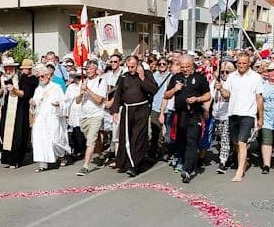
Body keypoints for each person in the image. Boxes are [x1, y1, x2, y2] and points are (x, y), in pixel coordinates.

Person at [165, 54, 211, 184]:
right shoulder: (176, 77)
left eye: (187, 67)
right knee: (181, 141)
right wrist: (175, 89)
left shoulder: (199, 78)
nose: (185, 69)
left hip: (194, 114)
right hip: (180, 115)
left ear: (192, 65)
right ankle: (184, 160)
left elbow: (207, 95)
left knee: (192, 141)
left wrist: (197, 99)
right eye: (182, 67)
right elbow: (166, 95)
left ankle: (187, 169)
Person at [218, 51, 263, 183]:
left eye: (244, 63)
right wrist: (221, 89)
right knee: (236, 143)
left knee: (242, 143)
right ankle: (244, 162)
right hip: (233, 114)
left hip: (248, 114)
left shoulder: (255, 77)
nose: (241, 65)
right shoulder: (232, 77)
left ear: (249, 63)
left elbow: (259, 98)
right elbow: (226, 95)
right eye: (239, 63)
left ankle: (239, 172)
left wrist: (261, 117)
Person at [112, 54, 158, 176]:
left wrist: (142, 78)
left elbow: (153, 90)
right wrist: (115, 110)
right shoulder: (124, 76)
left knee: (138, 137)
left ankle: (135, 165)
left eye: (133, 67)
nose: (131, 69)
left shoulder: (147, 74)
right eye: (129, 67)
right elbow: (118, 94)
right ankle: (126, 162)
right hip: (127, 110)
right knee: (126, 136)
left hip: (141, 109)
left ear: (138, 65)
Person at [0, 57, 38, 168]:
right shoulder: (3, 78)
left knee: (17, 135)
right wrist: (2, 88)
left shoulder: (24, 78)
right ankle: (7, 158)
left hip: (20, 109)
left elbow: (25, 94)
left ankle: (15, 160)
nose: (8, 70)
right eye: (6, 68)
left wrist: (14, 90)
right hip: (7, 107)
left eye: (9, 67)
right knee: (4, 132)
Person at [29, 63, 69, 171]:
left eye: (42, 76)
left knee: (55, 140)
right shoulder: (38, 89)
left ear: (48, 76)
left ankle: (61, 156)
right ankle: (43, 164)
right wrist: (32, 104)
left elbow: (65, 103)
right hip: (41, 119)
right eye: (39, 77)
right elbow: (34, 105)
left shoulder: (56, 88)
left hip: (53, 117)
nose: (40, 78)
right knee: (40, 140)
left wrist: (59, 105)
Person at [75, 57, 108, 175]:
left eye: (90, 69)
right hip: (84, 115)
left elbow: (99, 100)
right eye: (86, 69)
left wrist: (88, 90)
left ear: (95, 70)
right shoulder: (83, 82)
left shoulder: (101, 81)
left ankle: (85, 166)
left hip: (96, 114)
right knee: (93, 138)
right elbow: (78, 101)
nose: (88, 71)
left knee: (90, 141)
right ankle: (101, 154)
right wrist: (81, 93)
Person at [259, 62, 274, 174]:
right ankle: (266, 165)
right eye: (270, 71)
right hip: (266, 117)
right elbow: (258, 100)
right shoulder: (262, 84)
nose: (272, 73)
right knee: (266, 140)